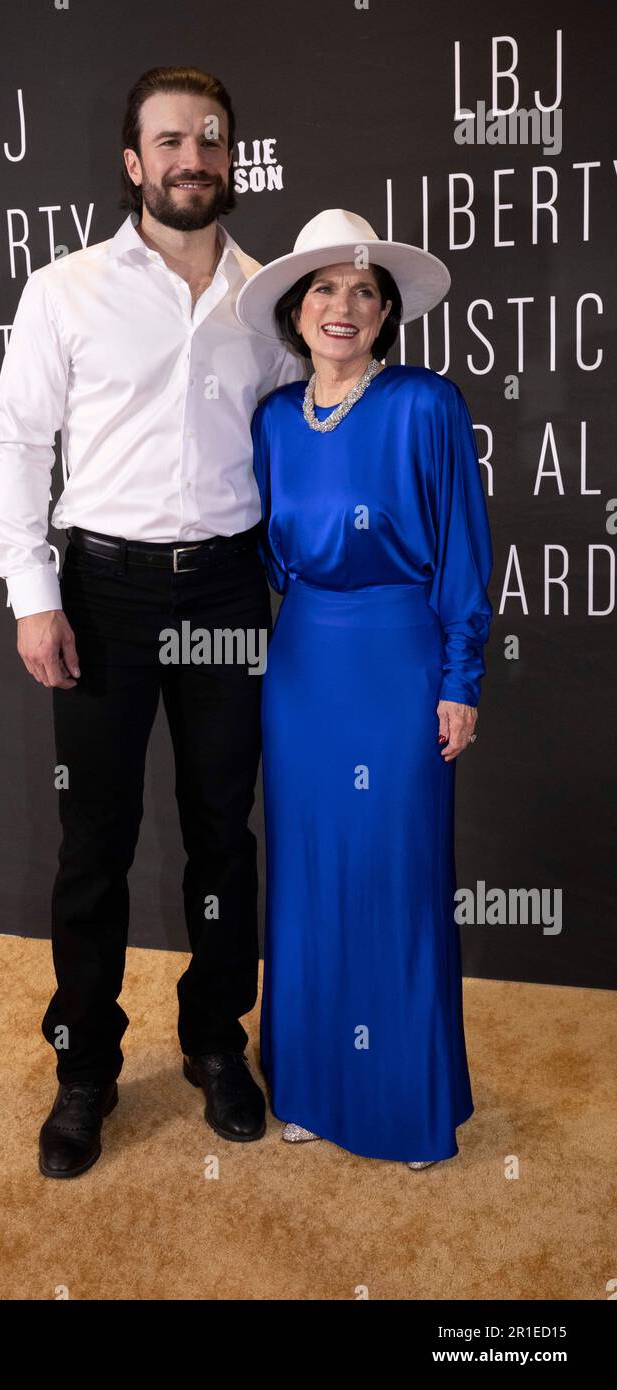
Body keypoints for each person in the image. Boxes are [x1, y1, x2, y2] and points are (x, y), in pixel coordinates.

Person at [0, 67, 306, 1179]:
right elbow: (21, 444)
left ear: (232, 160)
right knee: (96, 842)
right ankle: (85, 1070)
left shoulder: (274, 301)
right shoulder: (63, 289)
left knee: (224, 830)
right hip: (104, 592)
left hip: (224, 590)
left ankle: (218, 1044)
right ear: (134, 162)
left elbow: (306, 437)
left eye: (209, 141)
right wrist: (34, 594)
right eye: (168, 140)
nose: (190, 158)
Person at [235, 208, 494, 1170]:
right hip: (303, 664)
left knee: (397, 876)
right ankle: (308, 1084)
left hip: (399, 659)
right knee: (306, 878)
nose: (344, 307)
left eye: (364, 291)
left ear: (386, 313)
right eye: (325, 291)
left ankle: (406, 1102)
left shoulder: (427, 404)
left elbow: (464, 551)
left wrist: (458, 676)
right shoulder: (272, 419)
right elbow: (268, 549)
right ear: (297, 313)